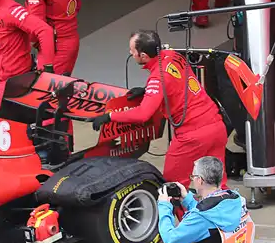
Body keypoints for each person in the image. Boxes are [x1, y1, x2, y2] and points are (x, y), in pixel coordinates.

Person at [89, 30, 228, 188]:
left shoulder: (157, 77)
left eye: (132, 51)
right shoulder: (172, 54)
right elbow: (175, 79)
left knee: (171, 187)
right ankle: (232, 211)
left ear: (143, 56)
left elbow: (143, 114)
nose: (130, 53)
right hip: (216, 126)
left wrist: (110, 116)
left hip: (192, 135)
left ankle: (181, 214)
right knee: (217, 185)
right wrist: (147, 90)